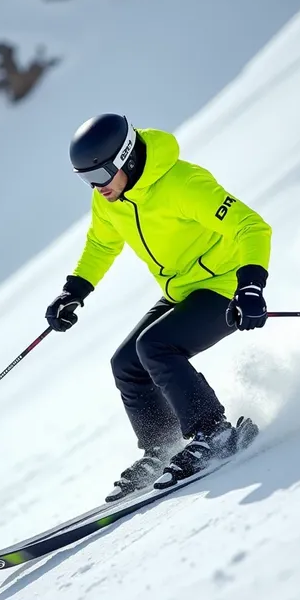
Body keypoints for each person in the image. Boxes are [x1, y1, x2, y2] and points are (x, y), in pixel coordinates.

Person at [46, 114, 271, 501]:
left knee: (156, 346)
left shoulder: (183, 183)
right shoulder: (111, 199)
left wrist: (250, 286)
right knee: (127, 363)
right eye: (86, 180)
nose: (96, 188)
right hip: (182, 289)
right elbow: (102, 244)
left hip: (225, 285)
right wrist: (74, 292)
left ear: (126, 159)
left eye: (99, 176)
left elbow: (251, 226)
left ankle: (215, 433)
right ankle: (162, 447)